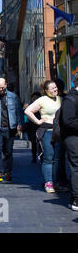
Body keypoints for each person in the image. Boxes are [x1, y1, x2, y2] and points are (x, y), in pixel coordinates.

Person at [25, 80, 67, 193]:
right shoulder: (42, 100)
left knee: (57, 159)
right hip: (47, 131)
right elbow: (28, 111)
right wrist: (38, 121)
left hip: (58, 132)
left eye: (56, 87)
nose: (55, 89)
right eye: (52, 88)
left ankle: (56, 182)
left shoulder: (61, 99)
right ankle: (48, 182)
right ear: (46, 90)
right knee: (48, 157)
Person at [0, 78, 23, 183]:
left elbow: (18, 111)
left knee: (8, 151)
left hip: (10, 127)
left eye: (2, 87)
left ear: (6, 85)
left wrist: (20, 124)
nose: (1, 90)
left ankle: (7, 172)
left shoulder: (13, 97)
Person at [61, 73, 78, 211]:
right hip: (73, 138)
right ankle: (76, 199)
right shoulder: (70, 99)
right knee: (76, 167)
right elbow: (68, 121)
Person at [25, 92, 42, 163]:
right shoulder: (29, 106)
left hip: (40, 126)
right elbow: (26, 117)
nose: (35, 99)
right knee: (33, 143)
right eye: (33, 98)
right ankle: (34, 157)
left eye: (36, 98)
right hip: (32, 126)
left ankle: (41, 155)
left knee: (41, 142)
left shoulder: (41, 105)